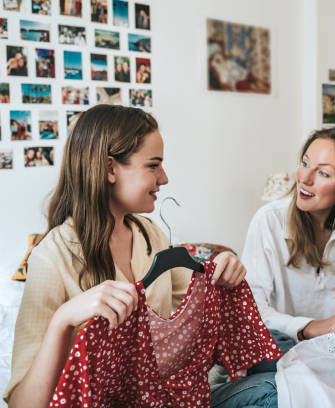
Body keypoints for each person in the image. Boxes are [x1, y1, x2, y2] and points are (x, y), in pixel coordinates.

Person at [4, 105, 248, 407]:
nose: (165, 178)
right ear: (109, 168)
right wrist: (63, 320)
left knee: (272, 376)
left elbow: (198, 318)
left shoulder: (150, 234)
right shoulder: (51, 257)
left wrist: (223, 277)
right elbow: (22, 403)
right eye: (153, 165)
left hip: (167, 399)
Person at [210, 127, 335, 407]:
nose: (304, 178)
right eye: (305, 163)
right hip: (280, 346)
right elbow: (254, 313)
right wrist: (312, 327)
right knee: (275, 351)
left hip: (333, 348)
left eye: (323, 173)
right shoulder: (269, 220)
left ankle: (327, 381)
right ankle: (327, 383)